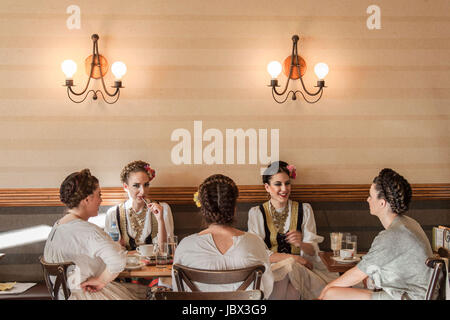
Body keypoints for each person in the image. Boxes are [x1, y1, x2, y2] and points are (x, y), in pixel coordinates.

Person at [319, 168, 434, 300]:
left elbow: (357, 273)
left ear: (382, 203)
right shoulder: (409, 223)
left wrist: (326, 290)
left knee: (331, 294)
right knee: (359, 283)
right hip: (420, 294)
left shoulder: (392, 235)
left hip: (410, 297)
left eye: (370, 196)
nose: (367, 199)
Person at [172, 174, 274, 298]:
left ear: (203, 208)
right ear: (234, 208)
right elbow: (266, 290)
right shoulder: (254, 242)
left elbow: (178, 291)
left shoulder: (185, 246)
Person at [248, 161, 338, 300]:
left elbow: (312, 252)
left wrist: (301, 243)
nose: (284, 189)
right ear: (267, 187)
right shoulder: (257, 213)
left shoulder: (305, 209)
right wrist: (294, 258)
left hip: (302, 271)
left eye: (287, 183)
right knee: (289, 272)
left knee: (292, 274)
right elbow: (259, 253)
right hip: (273, 272)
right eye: (278, 184)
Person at [43, 169, 137, 300]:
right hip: (87, 294)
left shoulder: (58, 226)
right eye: (99, 195)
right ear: (87, 200)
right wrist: (102, 280)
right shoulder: (87, 231)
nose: (101, 200)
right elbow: (117, 261)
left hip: (66, 296)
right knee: (149, 293)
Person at [104, 160, 174, 251]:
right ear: (126, 187)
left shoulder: (163, 209)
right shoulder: (113, 214)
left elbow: (165, 250)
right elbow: (112, 252)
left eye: (146, 185)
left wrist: (160, 220)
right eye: (136, 185)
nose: (143, 191)